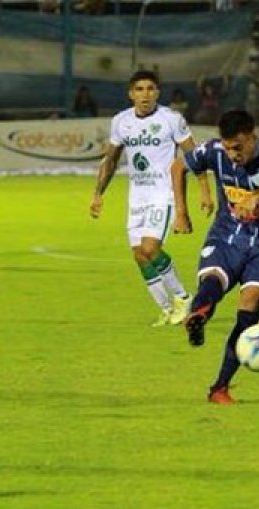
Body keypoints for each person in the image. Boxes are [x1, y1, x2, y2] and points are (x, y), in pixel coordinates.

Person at [172, 110, 259, 405]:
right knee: (212, 281)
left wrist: (257, 197)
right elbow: (178, 167)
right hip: (227, 235)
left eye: (237, 147)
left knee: (250, 304)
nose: (231, 154)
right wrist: (182, 212)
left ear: (252, 137)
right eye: (227, 147)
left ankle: (220, 388)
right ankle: (199, 315)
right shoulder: (215, 151)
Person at [89, 70, 211, 327]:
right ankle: (166, 309)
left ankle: (182, 297)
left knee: (150, 249)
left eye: (150, 88)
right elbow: (110, 158)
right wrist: (99, 193)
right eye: (140, 89)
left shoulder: (171, 119)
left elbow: (193, 155)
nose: (145, 94)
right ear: (131, 94)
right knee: (139, 255)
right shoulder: (121, 121)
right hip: (137, 197)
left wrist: (204, 189)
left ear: (158, 92)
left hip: (163, 194)